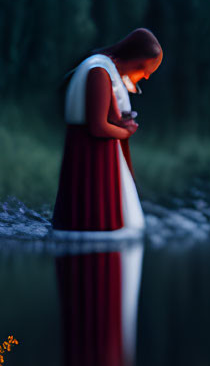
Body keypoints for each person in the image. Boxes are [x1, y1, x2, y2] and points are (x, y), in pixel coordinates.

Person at [51, 28, 162, 236]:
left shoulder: (106, 71)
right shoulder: (99, 72)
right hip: (92, 152)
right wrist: (126, 132)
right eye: (145, 69)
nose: (145, 76)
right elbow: (98, 126)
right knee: (94, 217)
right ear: (137, 61)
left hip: (100, 151)